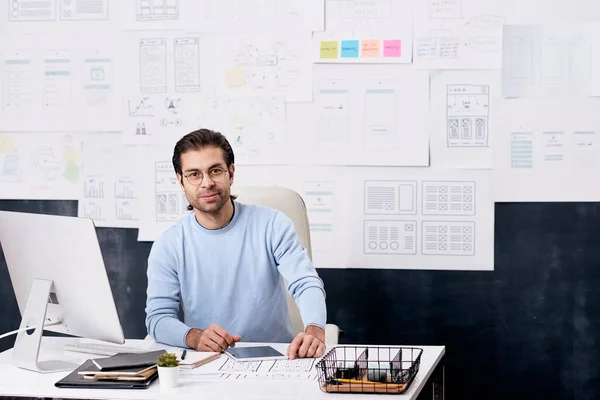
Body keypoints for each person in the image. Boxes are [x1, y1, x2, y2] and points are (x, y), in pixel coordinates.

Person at [145, 128, 327, 359]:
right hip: (206, 361)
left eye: (215, 171)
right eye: (194, 174)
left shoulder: (272, 224)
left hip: (275, 358)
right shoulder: (168, 245)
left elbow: (305, 282)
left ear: (231, 173)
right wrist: (195, 336)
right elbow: (158, 318)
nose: (207, 183)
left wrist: (315, 329)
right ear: (181, 181)